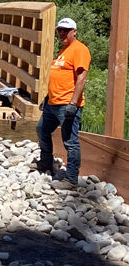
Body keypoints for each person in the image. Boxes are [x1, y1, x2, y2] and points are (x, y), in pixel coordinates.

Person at [36, 17, 91, 189]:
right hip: (53, 103)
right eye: (59, 30)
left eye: (65, 30)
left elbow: (82, 78)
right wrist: (47, 97)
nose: (62, 33)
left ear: (74, 31)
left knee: (70, 141)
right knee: (41, 129)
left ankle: (71, 179)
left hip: (67, 105)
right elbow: (59, 78)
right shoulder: (64, 50)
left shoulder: (79, 49)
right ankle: (46, 162)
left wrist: (73, 103)